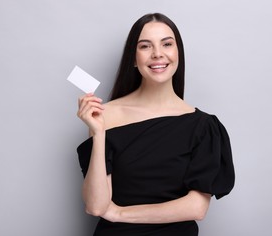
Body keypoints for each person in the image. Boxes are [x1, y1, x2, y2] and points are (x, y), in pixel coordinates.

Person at [76, 13, 235, 236]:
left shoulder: (204, 126)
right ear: (133, 58)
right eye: (145, 46)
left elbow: (197, 207)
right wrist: (99, 133)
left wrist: (120, 214)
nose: (157, 54)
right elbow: (96, 205)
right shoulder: (106, 115)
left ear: (177, 52)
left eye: (167, 44)